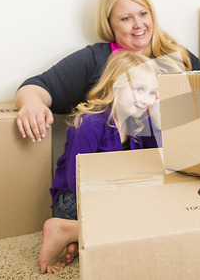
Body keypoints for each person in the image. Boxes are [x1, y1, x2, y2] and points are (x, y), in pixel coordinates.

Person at [15, 0, 200, 143]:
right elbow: (35, 87)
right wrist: (32, 103)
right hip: (113, 168)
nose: (138, 24)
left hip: (177, 163)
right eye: (126, 18)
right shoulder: (94, 59)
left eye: (143, 14)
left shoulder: (178, 55)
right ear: (109, 25)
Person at [39, 51, 162, 274]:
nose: (146, 99)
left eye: (153, 93)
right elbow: (76, 181)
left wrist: (157, 120)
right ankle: (64, 229)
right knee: (134, 222)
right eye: (139, 89)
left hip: (114, 197)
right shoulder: (90, 124)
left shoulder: (140, 124)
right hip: (76, 201)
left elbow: (155, 162)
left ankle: (77, 237)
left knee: (152, 213)